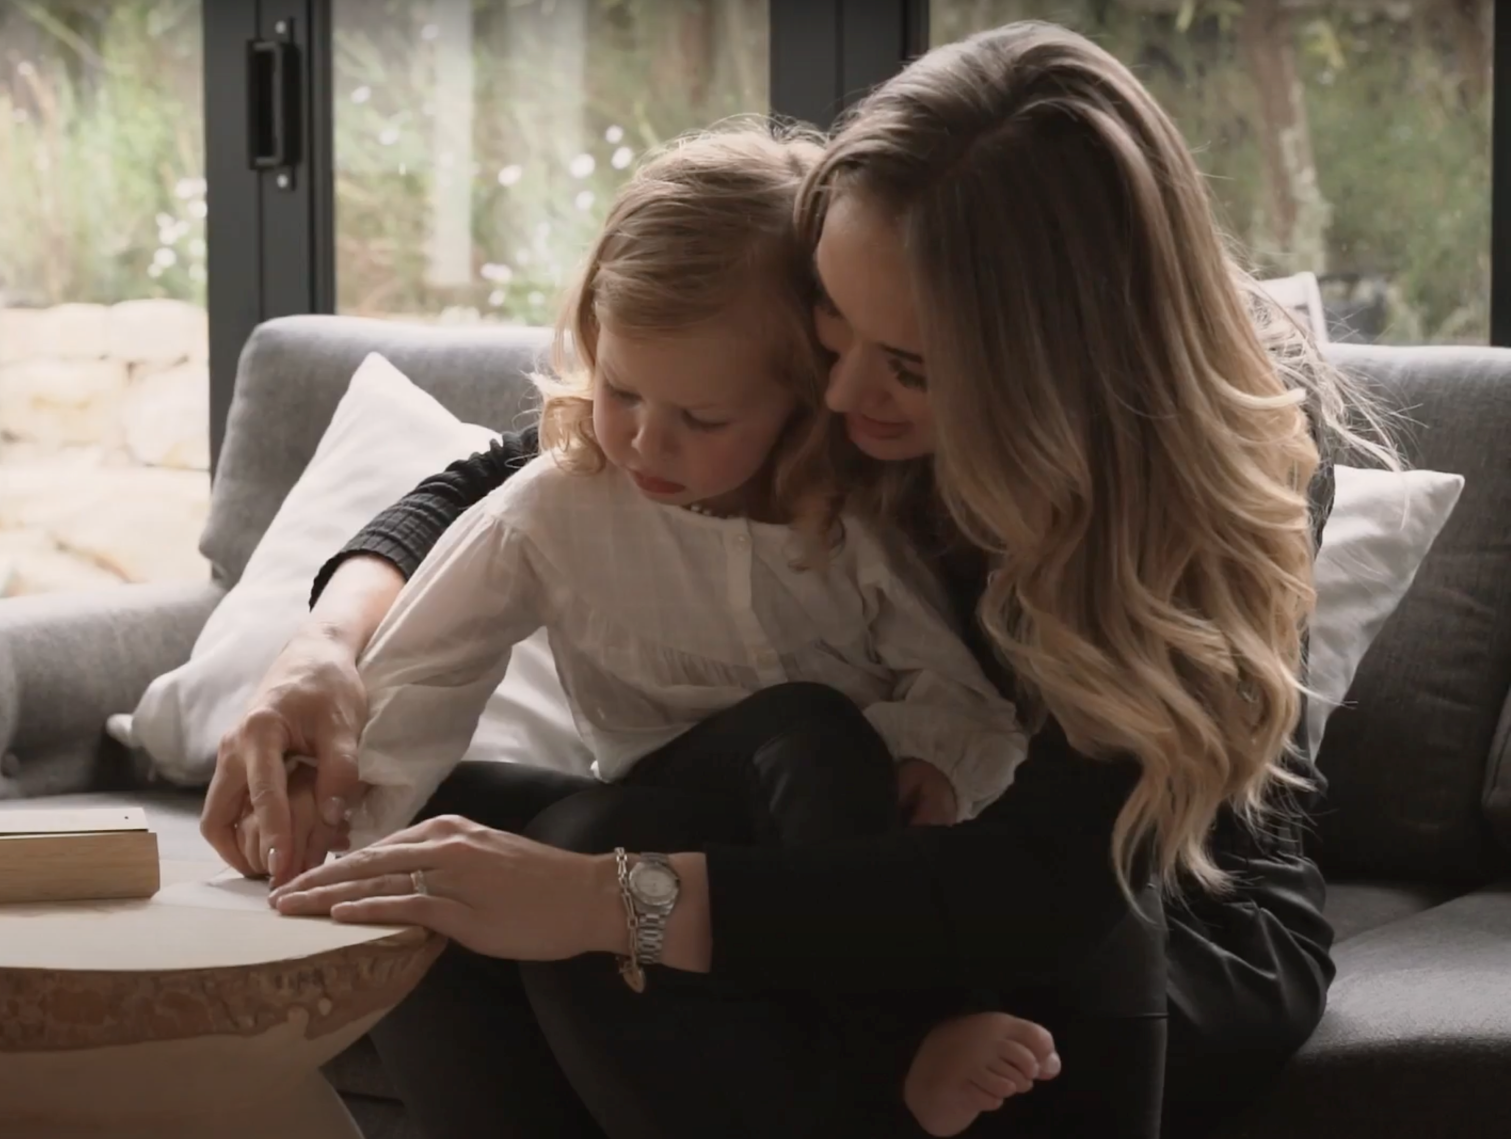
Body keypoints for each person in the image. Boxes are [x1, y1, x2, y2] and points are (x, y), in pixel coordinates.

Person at [204, 21, 1392, 1139]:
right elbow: (526, 469)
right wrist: (326, 647)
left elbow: (1045, 884)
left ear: (1048, 369)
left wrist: (602, 902)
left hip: (1140, 919)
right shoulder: (831, 392)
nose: (837, 399)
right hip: (843, 840)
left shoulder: (1219, 460)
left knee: (616, 876)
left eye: (906, 368)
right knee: (459, 852)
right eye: (828, 335)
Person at [293, 121, 1052, 1134]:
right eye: (618, 390)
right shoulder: (553, 506)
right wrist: (330, 852)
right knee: (453, 827)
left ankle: (907, 1038)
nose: (646, 439)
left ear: (801, 398)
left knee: (807, 724)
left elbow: (960, 696)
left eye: (701, 417)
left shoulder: (850, 522)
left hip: (815, 853)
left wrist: (935, 765)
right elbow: (416, 679)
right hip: (640, 818)